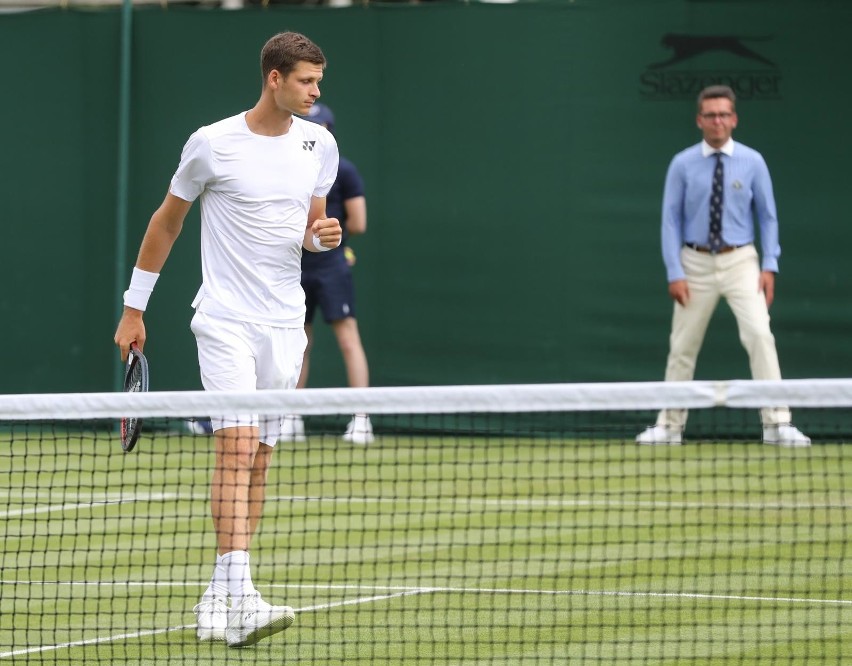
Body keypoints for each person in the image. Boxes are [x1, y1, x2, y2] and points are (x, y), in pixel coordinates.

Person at [113, 31, 343, 647]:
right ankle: (244, 599)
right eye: (306, 81)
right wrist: (134, 310)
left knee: (261, 455)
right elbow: (166, 223)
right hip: (224, 320)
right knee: (235, 449)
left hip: (284, 323)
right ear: (274, 78)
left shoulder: (319, 143)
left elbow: (307, 229)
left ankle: (222, 594)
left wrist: (322, 236)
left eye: (318, 82)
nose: (316, 92)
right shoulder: (211, 144)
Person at [635, 84, 810, 448]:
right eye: (711, 115)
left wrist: (769, 265)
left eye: (724, 114)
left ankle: (777, 424)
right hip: (693, 263)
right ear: (699, 120)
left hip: (741, 261)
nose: (718, 121)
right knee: (682, 345)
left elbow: (768, 216)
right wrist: (675, 271)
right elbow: (670, 220)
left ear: (735, 120)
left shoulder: (753, 162)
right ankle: (669, 427)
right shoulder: (682, 164)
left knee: (761, 335)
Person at [280, 102, 374, 446]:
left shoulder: (343, 170)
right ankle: (290, 418)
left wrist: (336, 241)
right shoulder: (288, 170)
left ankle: (361, 420)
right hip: (294, 265)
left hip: (331, 265)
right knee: (297, 343)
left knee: (348, 339)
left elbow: (358, 223)